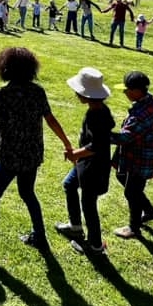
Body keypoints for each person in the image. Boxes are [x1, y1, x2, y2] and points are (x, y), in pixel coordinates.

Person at [0, 47, 74, 262]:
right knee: (28, 194)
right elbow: (51, 120)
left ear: (5, 68)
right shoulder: (38, 92)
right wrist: (67, 145)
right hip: (31, 155)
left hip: (9, 157)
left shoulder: (3, 95)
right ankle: (40, 237)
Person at [55, 68, 114, 256]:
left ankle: (95, 246)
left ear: (85, 94)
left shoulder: (96, 115)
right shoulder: (99, 109)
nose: (75, 93)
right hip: (86, 164)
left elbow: (97, 145)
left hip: (93, 166)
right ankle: (75, 225)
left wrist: (75, 154)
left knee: (89, 204)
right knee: (69, 184)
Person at [110, 71, 153, 239]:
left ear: (138, 91)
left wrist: (100, 135)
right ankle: (149, 210)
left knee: (131, 192)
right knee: (121, 176)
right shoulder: (151, 100)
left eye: (127, 90)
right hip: (141, 157)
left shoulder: (140, 115)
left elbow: (125, 138)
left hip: (139, 160)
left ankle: (134, 228)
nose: (125, 93)